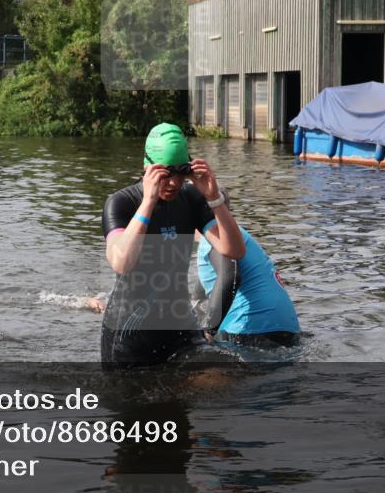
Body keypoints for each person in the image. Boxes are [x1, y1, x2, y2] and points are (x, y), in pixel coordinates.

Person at [100, 123, 245, 368]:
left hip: (181, 327)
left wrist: (214, 198)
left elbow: (234, 251)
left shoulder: (191, 198)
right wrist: (148, 202)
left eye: (180, 172)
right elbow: (121, 263)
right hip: (130, 336)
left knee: (224, 377)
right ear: (147, 166)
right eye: (165, 173)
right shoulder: (122, 202)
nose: (174, 182)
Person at [195, 194, 301, 348]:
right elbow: (202, 293)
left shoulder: (215, 235)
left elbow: (230, 277)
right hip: (285, 326)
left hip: (251, 328)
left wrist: (207, 330)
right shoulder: (233, 234)